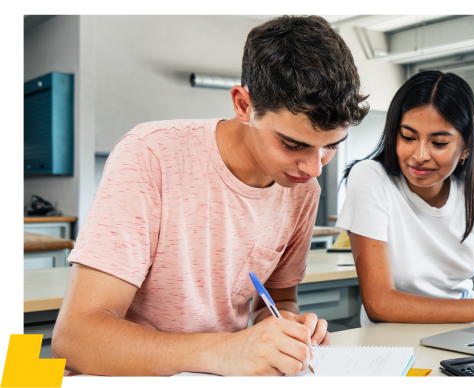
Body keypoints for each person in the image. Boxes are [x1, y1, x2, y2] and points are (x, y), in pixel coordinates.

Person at [52, 15, 369, 377]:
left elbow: (277, 299)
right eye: (292, 144)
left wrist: (288, 329)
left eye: (330, 146)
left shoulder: (301, 190)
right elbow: (76, 337)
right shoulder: (149, 154)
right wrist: (227, 350)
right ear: (243, 105)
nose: (314, 168)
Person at [336, 71, 474, 327]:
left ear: (466, 146)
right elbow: (380, 304)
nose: (420, 155)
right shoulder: (370, 177)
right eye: (408, 137)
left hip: (469, 327)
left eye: (439, 142)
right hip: (392, 338)